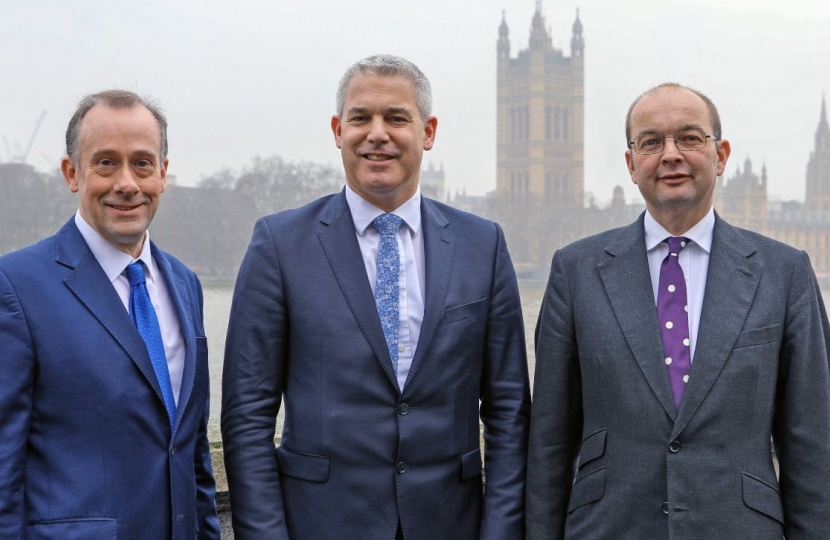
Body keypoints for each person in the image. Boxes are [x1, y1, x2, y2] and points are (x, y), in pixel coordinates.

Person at [221, 54, 531, 540]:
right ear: (337, 130)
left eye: (397, 118)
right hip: (320, 525)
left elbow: (510, 412)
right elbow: (247, 415)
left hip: (450, 524)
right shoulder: (280, 245)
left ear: (427, 132)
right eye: (361, 118)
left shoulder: (482, 244)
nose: (377, 133)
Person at [526, 82, 830, 539]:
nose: (670, 154)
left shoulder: (784, 272)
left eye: (689, 138)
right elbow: (549, 440)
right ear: (631, 164)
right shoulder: (575, 270)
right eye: (651, 142)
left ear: (721, 155)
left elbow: (813, 442)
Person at [0, 90, 220, 539]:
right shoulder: (15, 286)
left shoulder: (185, 284)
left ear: (162, 173)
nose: (127, 182)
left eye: (142, 163)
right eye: (105, 163)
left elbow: (191, 447)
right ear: (71, 173)